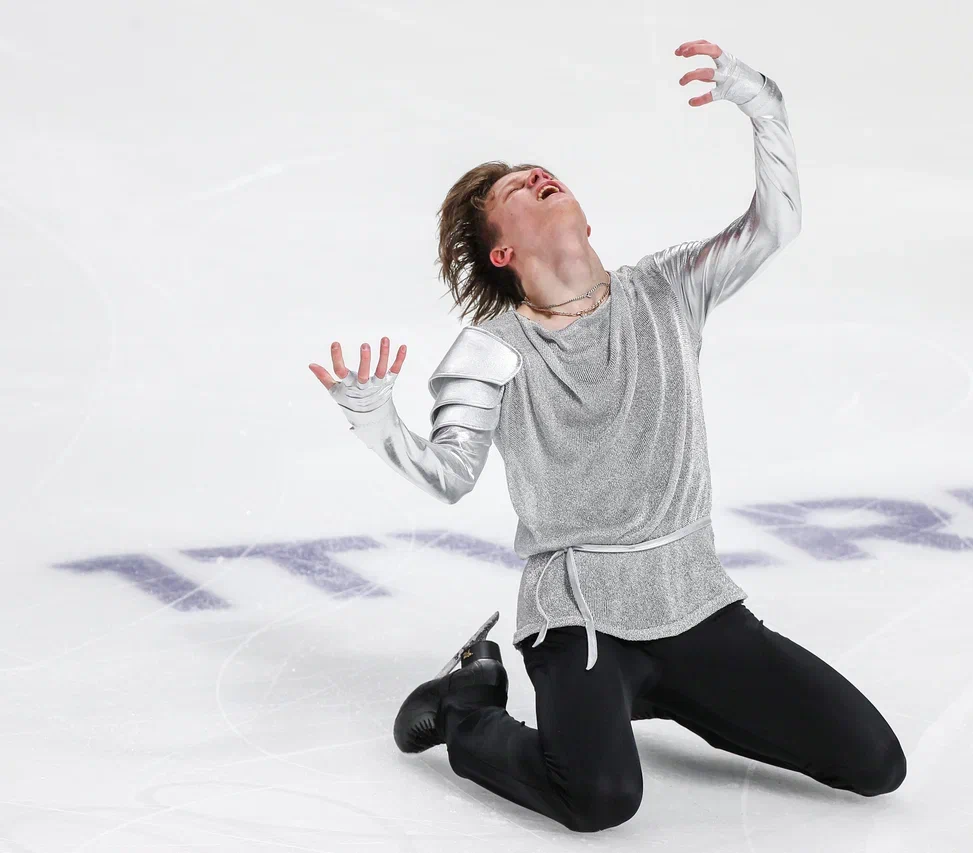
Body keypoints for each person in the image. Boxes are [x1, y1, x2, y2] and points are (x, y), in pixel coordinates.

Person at [309, 39, 905, 833]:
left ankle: (654, 700)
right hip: (581, 621)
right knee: (600, 798)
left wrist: (762, 104)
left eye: (539, 174)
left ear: (585, 219)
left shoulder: (668, 290)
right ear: (503, 251)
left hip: (695, 604)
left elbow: (777, 223)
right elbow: (450, 474)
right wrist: (376, 419)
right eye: (513, 190)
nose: (534, 177)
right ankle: (465, 706)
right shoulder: (492, 350)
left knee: (876, 763)